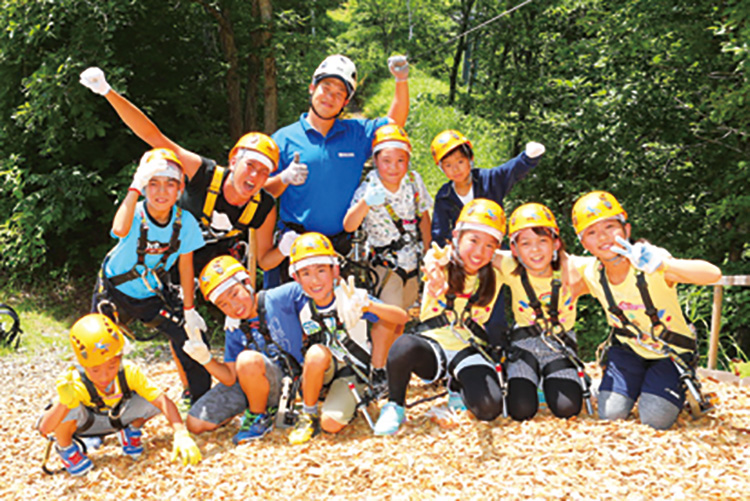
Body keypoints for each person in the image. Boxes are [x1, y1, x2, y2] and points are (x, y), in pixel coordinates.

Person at [79, 67, 283, 276]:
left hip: (207, 274)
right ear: (233, 162)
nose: (254, 176)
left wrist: (288, 248)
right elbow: (154, 137)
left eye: (263, 172)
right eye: (250, 165)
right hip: (159, 259)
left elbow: (265, 260)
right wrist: (107, 92)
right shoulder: (205, 174)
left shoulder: (263, 207)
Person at [569, 191, 721, 429]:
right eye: (591, 232)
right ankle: (629, 385)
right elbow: (543, 262)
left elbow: (713, 274)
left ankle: (670, 383)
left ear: (626, 230)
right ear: (583, 243)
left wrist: (664, 264)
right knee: (610, 414)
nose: (603, 237)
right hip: (628, 349)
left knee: (655, 420)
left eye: (610, 226)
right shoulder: (591, 270)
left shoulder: (651, 262)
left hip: (670, 352)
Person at [263, 54, 410, 287]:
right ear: (312, 88)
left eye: (339, 93)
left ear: (345, 102)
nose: (330, 97)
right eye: (326, 87)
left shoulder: (356, 134)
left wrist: (401, 81)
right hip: (294, 244)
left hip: (337, 249)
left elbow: (393, 126)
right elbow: (260, 194)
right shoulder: (283, 139)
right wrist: (284, 178)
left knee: (334, 318)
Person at [373, 199, 507, 436]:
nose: (479, 252)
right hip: (433, 348)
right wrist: (435, 276)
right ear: (457, 236)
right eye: (473, 241)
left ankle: (457, 387)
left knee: (488, 408)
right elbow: (432, 258)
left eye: (489, 245)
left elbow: (530, 258)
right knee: (404, 345)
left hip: (468, 349)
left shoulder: (497, 271)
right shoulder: (442, 259)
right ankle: (395, 405)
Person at [91, 148, 211, 404]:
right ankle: (97, 404)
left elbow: (186, 267)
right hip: (113, 290)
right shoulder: (134, 213)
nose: (161, 191)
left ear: (180, 190)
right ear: (145, 187)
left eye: (170, 184)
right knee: (97, 347)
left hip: (150, 293)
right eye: (153, 184)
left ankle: (200, 400)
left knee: (190, 335)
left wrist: (189, 310)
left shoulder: (185, 222)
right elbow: (118, 228)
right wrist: (135, 186)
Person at [37, 314, 201, 476]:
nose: (104, 376)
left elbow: (163, 401)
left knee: (152, 400)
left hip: (119, 418)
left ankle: (130, 431)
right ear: (83, 365)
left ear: (120, 357)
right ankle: (67, 450)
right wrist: (63, 402)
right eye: (95, 370)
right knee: (65, 407)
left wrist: (181, 433)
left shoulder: (128, 372)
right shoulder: (75, 382)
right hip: (87, 424)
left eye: (112, 366)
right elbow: (45, 429)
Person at [285, 233, 409, 444]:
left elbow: (401, 318)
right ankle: (308, 413)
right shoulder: (305, 309)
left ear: (335, 270)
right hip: (326, 368)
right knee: (315, 353)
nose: (314, 280)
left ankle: (351, 401)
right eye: (305, 273)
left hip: (353, 371)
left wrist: (368, 305)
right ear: (296, 278)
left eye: (321, 270)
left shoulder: (351, 297)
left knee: (330, 425)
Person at [429, 130, 546, 334]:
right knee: (462, 299)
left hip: (492, 255)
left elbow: (509, 171)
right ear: (441, 168)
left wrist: (527, 158)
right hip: (462, 258)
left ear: (470, 159)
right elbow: (439, 232)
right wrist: (446, 255)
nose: (455, 169)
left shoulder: (488, 180)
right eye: (448, 165)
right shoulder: (445, 196)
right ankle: (460, 338)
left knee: (494, 300)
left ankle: (498, 346)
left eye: (460, 161)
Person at [183, 255, 309, 444]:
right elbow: (230, 377)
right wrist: (205, 359)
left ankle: (258, 416)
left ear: (247, 282)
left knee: (247, 359)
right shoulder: (234, 328)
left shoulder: (280, 297)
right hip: (252, 383)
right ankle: (256, 406)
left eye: (234, 294)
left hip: (289, 381)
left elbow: (316, 289)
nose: (233, 306)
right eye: (223, 304)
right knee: (196, 423)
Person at [491, 203, 586, 421]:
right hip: (525, 345)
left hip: (559, 345)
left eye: (543, 241)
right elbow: (475, 250)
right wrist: (433, 260)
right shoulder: (509, 265)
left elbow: (612, 264)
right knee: (521, 410)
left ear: (556, 243)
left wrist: (566, 259)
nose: (535, 249)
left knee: (567, 409)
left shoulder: (575, 269)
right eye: (526, 243)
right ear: (514, 249)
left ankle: (547, 380)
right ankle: (530, 378)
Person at [343, 124, 432, 311]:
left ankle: (397, 341)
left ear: (408, 160)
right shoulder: (369, 189)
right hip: (386, 263)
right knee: (391, 315)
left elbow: (423, 216)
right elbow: (349, 225)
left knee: (405, 313)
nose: (393, 167)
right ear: (375, 160)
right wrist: (366, 203)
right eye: (386, 161)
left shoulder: (414, 182)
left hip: (413, 260)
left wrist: (428, 251)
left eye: (401, 160)